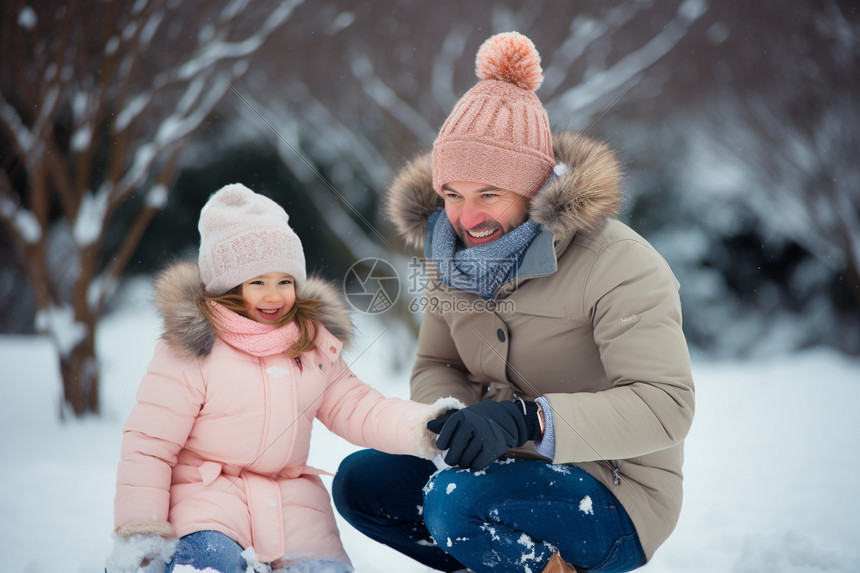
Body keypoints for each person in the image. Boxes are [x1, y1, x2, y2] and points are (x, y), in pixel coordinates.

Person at [332, 32, 695, 573]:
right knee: (362, 483)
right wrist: (455, 419)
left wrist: (528, 420)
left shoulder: (619, 263)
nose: (466, 217)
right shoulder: (451, 257)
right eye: (452, 194)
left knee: (456, 501)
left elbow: (667, 405)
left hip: (614, 490)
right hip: (498, 471)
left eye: (489, 195)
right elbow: (439, 363)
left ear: (533, 190)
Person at [105, 183, 462, 573]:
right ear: (228, 286)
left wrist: (423, 426)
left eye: (285, 281)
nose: (274, 296)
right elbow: (149, 444)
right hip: (207, 507)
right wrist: (141, 530)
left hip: (295, 514)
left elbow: (360, 407)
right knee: (210, 565)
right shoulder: (194, 350)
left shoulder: (310, 344)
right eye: (258, 282)